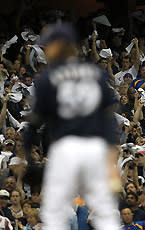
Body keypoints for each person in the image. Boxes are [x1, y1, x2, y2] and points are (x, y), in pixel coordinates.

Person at [23, 22, 120, 230]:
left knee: (54, 212)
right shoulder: (97, 74)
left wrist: (29, 158)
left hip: (65, 148)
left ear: (62, 45)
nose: (46, 50)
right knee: (104, 211)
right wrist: (111, 154)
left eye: (50, 45)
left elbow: (33, 125)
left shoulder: (48, 79)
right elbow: (108, 118)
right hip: (95, 148)